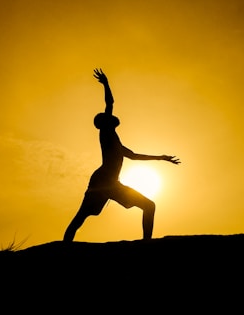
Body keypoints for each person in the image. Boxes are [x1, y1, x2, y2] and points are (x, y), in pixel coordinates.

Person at [63, 68, 180, 242]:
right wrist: (106, 84)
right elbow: (110, 103)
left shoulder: (116, 143)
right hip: (102, 181)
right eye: (106, 115)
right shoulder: (106, 132)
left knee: (148, 205)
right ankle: (64, 246)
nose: (111, 116)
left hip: (112, 183)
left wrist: (161, 158)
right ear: (103, 122)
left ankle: (146, 242)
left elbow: (134, 156)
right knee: (83, 215)